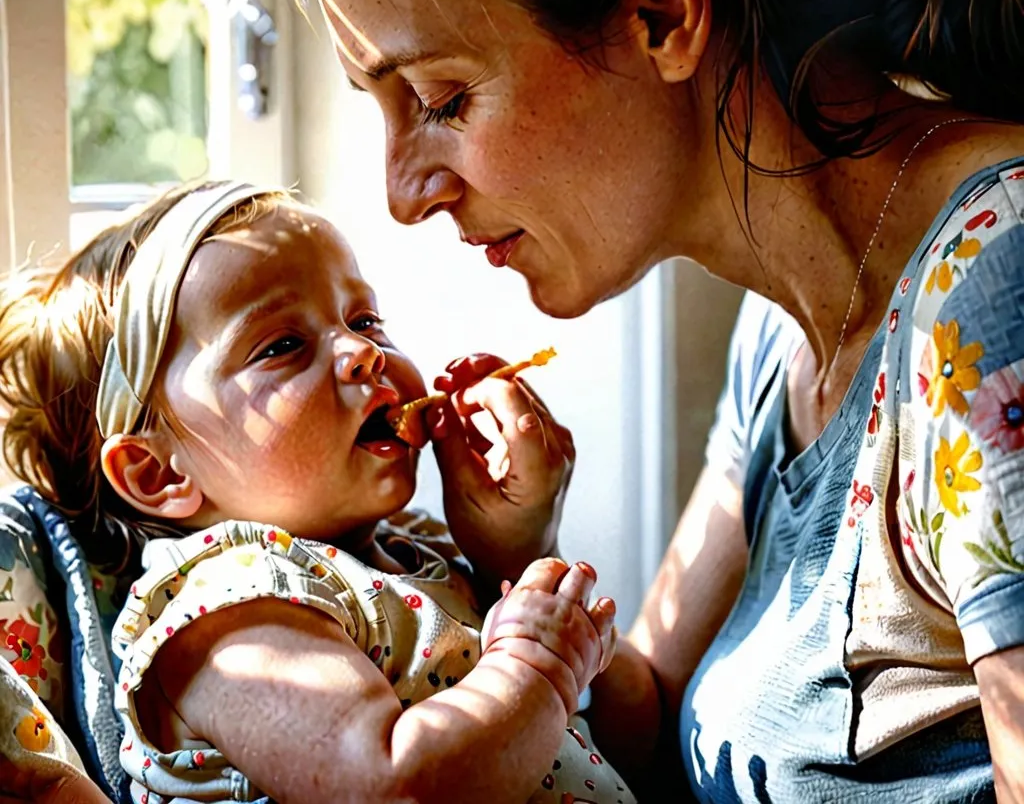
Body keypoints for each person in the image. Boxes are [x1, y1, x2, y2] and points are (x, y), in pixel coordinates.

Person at [250, 0, 1024, 800]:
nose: (404, 194)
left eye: (442, 97)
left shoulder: (988, 294)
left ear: (660, 9)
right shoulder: (788, 327)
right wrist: (523, 554)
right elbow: (658, 719)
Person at [0, 180, 632, 804]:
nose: (363, 352)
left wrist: (518, 553)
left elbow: (642, 737)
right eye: (282, 345)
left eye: (364, 319)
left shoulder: (425, 555)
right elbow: (393, 788)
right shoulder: (229, 606)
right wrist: (534, 665)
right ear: (158, 475)